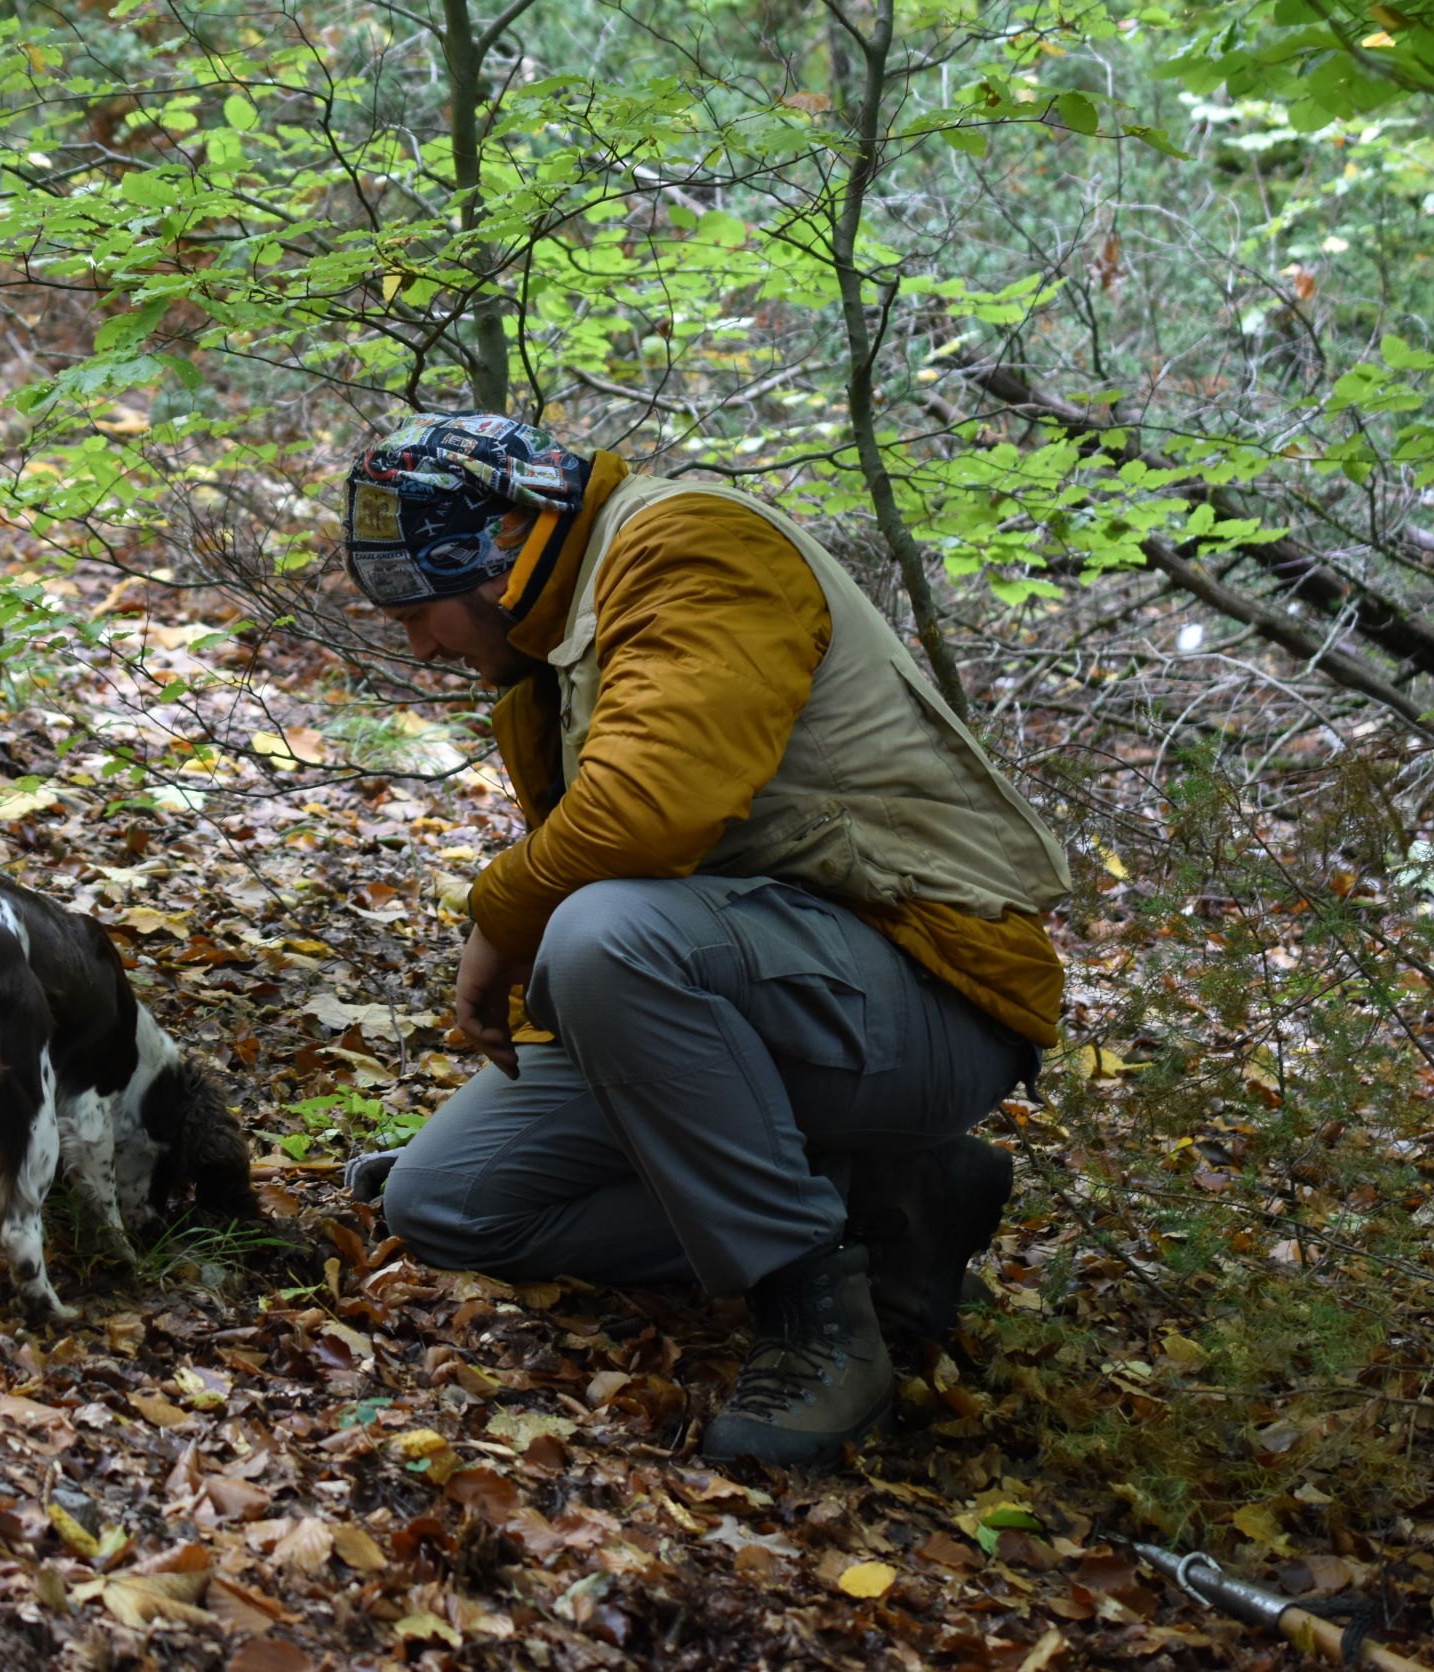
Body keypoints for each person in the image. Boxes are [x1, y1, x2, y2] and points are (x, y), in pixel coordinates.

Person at [336, 412, 1071, 1467]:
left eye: (419, 610)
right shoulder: (564, 618)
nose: (419, 647)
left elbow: (646, 819)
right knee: (448, 1204)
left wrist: (499, 917)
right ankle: (884, 1204)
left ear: (496, 558)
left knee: (600, 934)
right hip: (767, 984)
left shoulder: (689, 550)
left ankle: (816, 1319)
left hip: (927, 992)